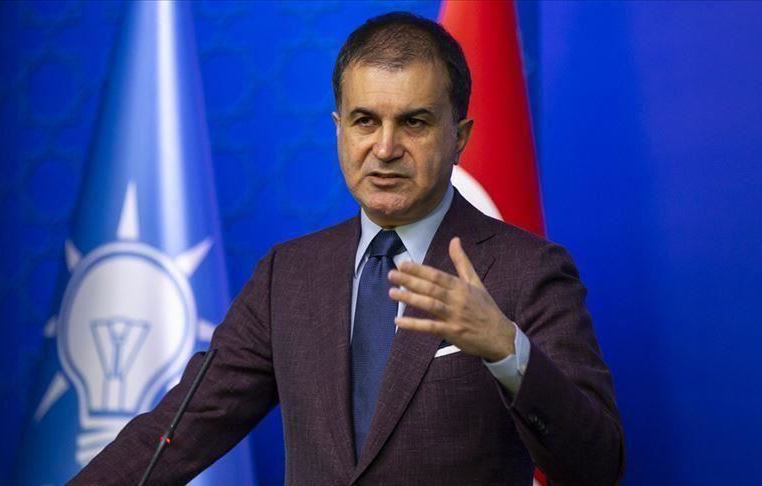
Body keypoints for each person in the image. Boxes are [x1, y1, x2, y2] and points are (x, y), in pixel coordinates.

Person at [73, 12, 623, 485]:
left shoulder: (528, 271)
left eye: (414, 122)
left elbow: (597, 465)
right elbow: (176, 433)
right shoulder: (288, 275)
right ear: (340, 129)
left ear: (460, 137)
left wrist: (505, 348)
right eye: (365, 121)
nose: (385, 148)